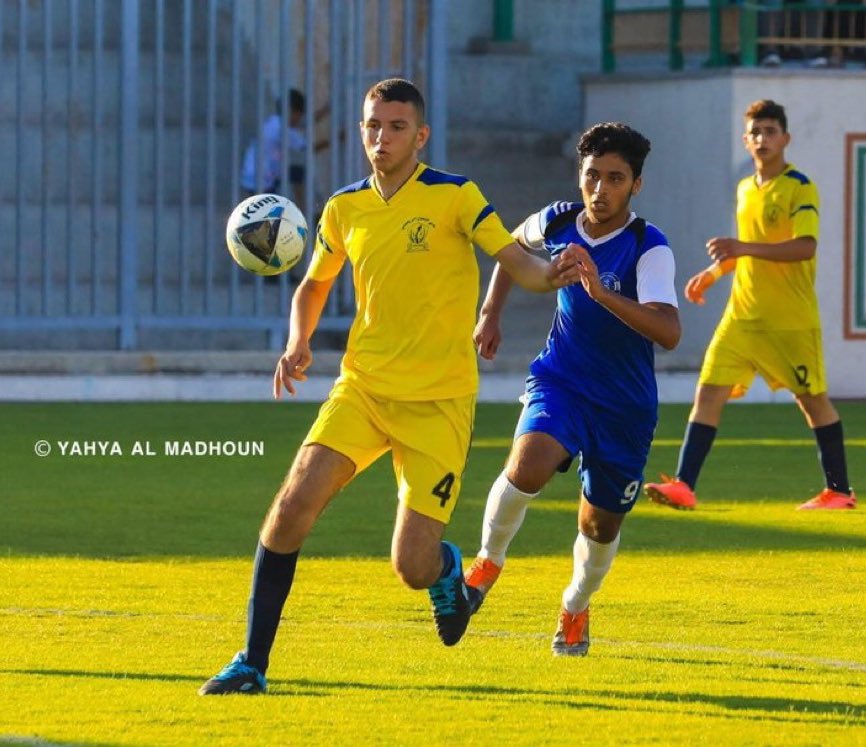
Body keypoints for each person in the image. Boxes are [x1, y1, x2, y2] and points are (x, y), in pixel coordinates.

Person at [199, 78, 582, 695]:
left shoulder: (456, 196)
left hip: (438, 403)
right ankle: (251, 663)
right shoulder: (343, 207)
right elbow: (314, 285)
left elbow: (516, 262)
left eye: (397, 127)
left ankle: (446, 570)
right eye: (373, 126)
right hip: (363, 390)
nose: (383, 137)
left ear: (420, 135)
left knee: (411, 566)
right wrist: (298, 342)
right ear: (361, 131)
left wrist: (552, 273)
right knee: (290, 509)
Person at [464, 123, 681, 657]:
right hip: (561, 380)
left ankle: (575, 606)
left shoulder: (648, 246)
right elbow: (511, 248)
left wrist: (600, 293)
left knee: (599, 525)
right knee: (527, 466)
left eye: (615, 178)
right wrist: (491, 313)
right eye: (592, 175)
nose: (600, 189)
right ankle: (486, 564)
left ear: (636, 185)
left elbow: (669, 331)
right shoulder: (557, 220)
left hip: (624, 406)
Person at [644, 99, 856, 512]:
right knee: (708, 391)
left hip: (789, 320)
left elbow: (805, 247)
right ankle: (684, 486)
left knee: (812, 402)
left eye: (770, 131)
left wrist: (741, 248)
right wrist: (714, 272)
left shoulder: (800, 186)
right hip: (741, 316)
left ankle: (839, 492)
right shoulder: (745, 188)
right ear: (746, 140)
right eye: (755, 132)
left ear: (786, 138)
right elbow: (745, 250)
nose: (762, 139)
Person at [240, 88, 307, 209]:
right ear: (291, 111)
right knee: (298, 174)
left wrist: (325, 111)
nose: (300, 118)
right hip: (262, 181)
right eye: (299, 114)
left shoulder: (273, 121)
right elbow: (309, 147)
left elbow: (303, 124)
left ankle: (302, 210)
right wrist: (336, 137)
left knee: (296, 173)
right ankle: (303, 212)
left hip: (250, 175)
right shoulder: (283, 130)